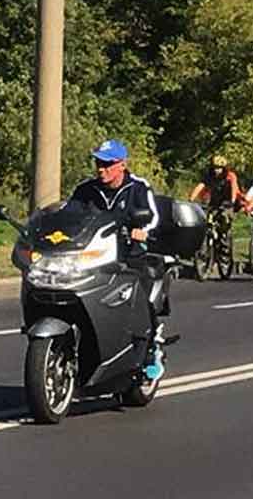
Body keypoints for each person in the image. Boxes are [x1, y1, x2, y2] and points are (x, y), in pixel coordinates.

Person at [68, 140, 166, 380]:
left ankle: (150, 347)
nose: (101, 169)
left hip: (129, 256)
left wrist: (142, 229)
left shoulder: (138, 188)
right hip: (91, 258)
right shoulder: (85, 190)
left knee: (141, 298)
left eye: (108, 164)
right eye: (99, 163)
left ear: (122, 164)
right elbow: (67, 216)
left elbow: (153, 217)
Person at [188, 154, 242, 253]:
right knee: (204, 218)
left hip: (228, 202)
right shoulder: (209, 176)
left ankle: (224, 241)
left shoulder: (230, 176)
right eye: (214, 168)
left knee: (224, 217)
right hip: (215, 202)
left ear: (224, 168)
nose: (216, 170)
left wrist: (232, 201)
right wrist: (191, 200)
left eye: (219, 168)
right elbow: (200, 186)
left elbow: (234, 189)